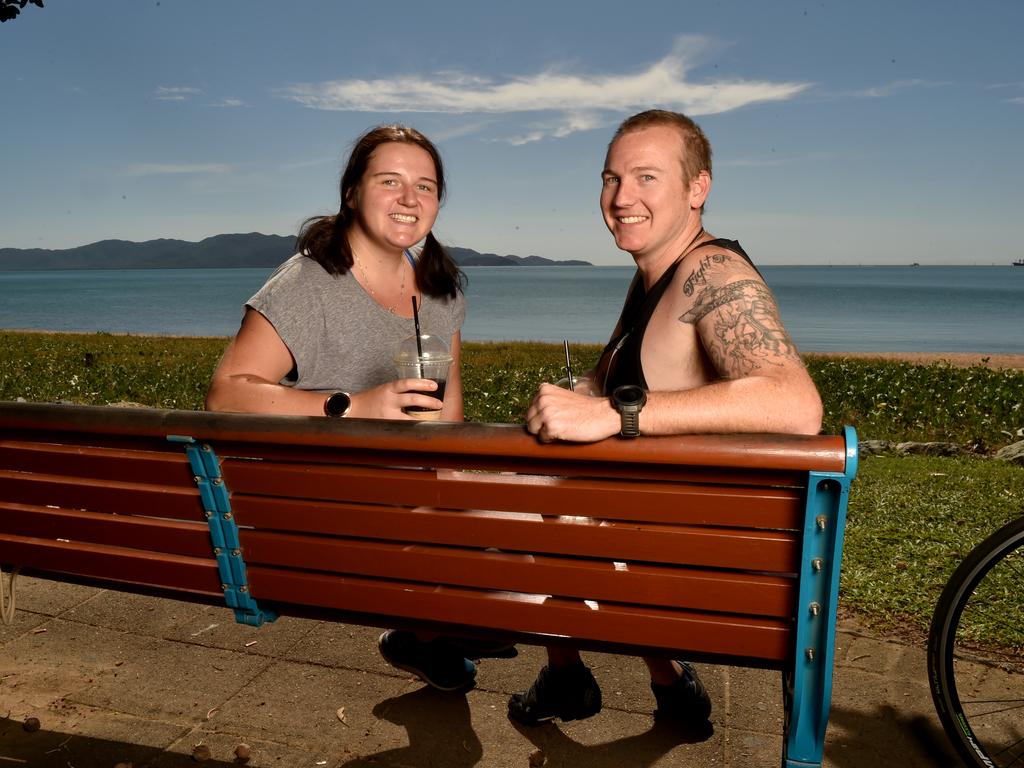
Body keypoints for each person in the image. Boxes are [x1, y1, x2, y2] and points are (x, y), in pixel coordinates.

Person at [508, 110, 823, 728]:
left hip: (694, 567)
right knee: (564, 503)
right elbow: (611, 380)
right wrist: (582, 394)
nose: (622, 197)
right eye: (611, 179)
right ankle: (656, 683)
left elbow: (796, 404)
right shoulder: (653, 279)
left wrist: (616, 413)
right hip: (657, 539)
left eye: (646, 177)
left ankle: (570, 675)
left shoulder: (715, 274)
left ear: (698, 188)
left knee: (546, 511)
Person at [205, 123, 493, 691]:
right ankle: (443, 629)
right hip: (333, 505)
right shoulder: (308, 282)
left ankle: (433, 637)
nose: (410, 199)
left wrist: (459, 490)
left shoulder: (442, 290)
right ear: (352, 193)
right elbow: (227, 392)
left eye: (426, 186)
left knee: (541, 523)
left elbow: (449, 419)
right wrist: (354, 403)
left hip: (412, 498)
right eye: (391, 181)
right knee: (516, 557)